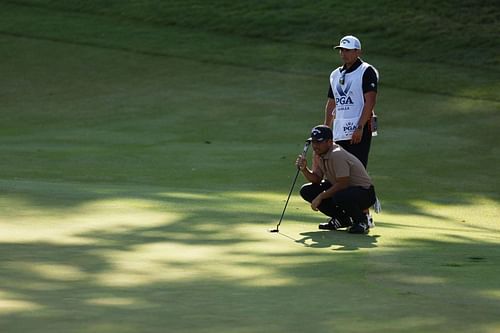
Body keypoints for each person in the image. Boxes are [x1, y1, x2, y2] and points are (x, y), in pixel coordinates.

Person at [296, 125, 377, 234]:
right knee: (307, 191)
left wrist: (320, 197)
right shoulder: (319, 154)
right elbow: (317, 179)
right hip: (346, 190)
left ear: (329, 142)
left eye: (319, 142)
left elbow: (343, 184)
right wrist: (304, 169)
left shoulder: (337, 154)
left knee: (339, 195)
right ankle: (341, 219)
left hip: (365, 193)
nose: (315, 146)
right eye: (313, 142)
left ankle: (361, 221)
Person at [324, 35, 379, 168]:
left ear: (358, 52)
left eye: (347, 50)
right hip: (339, 130)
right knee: (339, 171)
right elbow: (332, 102)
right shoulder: (335, 74)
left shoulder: (366, 70)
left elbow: (370, 102)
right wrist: (326, 128)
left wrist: (359, 127)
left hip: (358, 130)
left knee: (356, 169)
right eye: (341, 50)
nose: (343, 53)